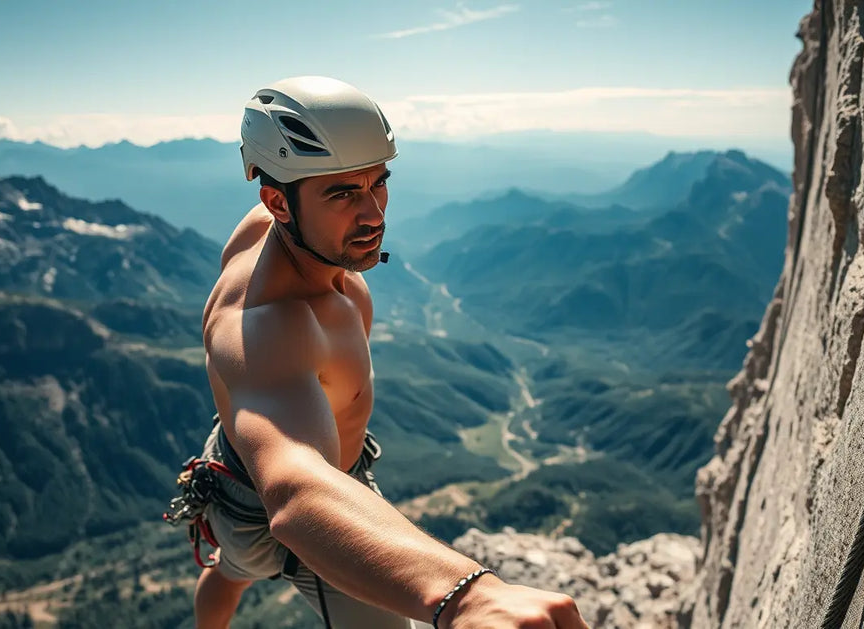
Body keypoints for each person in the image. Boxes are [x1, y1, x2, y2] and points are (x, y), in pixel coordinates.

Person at [190, 76, 590, 629]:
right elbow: (299, 488)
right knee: (243, 560)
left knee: (229, 568)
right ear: (278, 201)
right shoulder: (269, 325)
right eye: (342, 193)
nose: (374, 213)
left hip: (237, 467)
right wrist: (468, 597)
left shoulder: (273, 226)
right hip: (281, 506)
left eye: (378, 183)